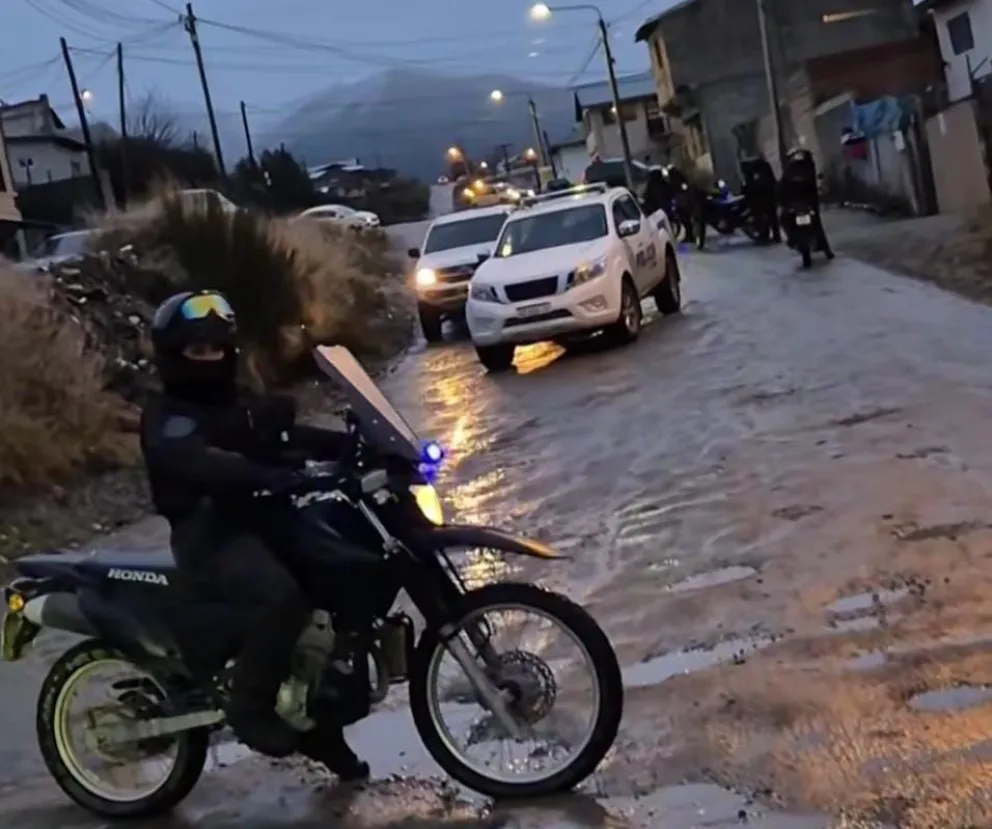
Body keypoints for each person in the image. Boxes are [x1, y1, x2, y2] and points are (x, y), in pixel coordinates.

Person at [140, 289, 370, 780]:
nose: (211, 358)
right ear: (175, 355)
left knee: (339, 568)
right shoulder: (167, 416)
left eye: (217, 348)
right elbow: (200, 461)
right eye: (198, 350)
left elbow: (287, 437)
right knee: (280, 597)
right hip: (209, 534)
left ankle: (319, 716)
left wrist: (358, 445)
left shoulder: (240, 403)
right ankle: (250, 705)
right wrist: (262, 475)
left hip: (261, 517)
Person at [777, 148, 834, 259]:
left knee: (815, 224)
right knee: (816, 225)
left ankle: (825, 249)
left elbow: (781, 188)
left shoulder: (796, 170)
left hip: (804, 203)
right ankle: (826, 250)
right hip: (804, 203)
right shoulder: (806, 168)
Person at [739, 154, 780, 244]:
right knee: (772, 216)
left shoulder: (749, 170)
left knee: (760, 216)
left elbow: (747, 187)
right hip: (768, 196)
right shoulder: (764, 166)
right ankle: (776, 236)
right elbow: (772, 181)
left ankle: (764, 235)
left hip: (758, 199)